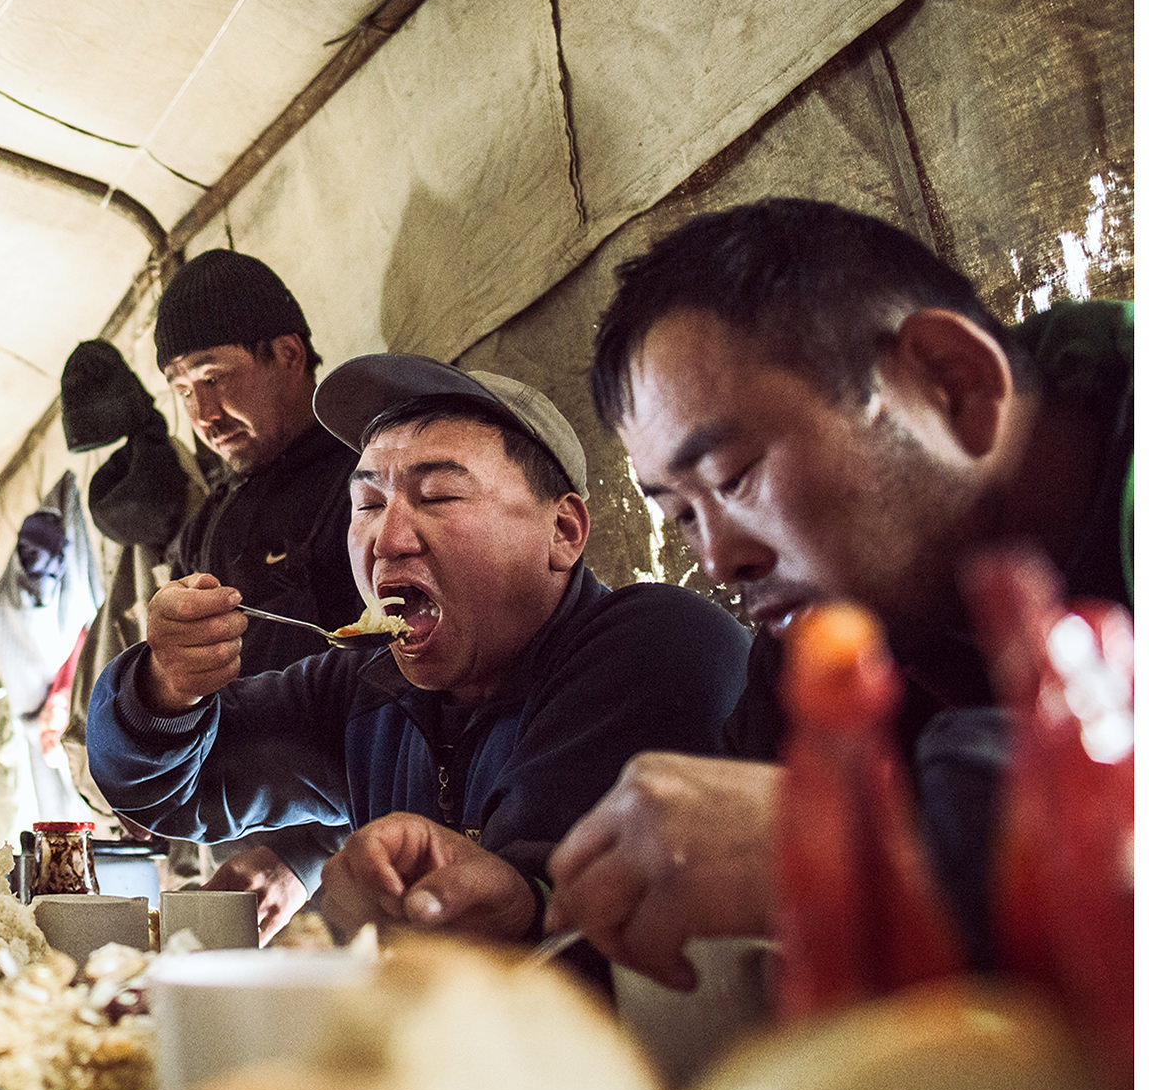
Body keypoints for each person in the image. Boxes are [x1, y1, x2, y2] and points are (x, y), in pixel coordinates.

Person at [547, 199, 1132, 986]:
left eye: (734, 478)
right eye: (682, 515)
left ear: (951, 384)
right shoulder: (823, 642)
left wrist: (851, 842)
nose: (719, 560)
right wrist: (543, 901)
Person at [88, 355, 752, 949]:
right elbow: (170, 791)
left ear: (564, 530)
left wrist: (505, 902)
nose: (387, 538)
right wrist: (164, 686)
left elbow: (564, 916)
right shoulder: (366, 688)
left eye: (438, 495)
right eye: (367, 503)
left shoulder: (653, 647)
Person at [153, 251, 369, 937]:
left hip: (357, 866)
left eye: (215, 377)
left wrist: (307, 853)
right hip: (233, 861)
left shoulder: (363, 487)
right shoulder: (207, 523)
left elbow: (411, 697)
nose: (203, 413)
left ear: (287, 353)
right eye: (183, 390)